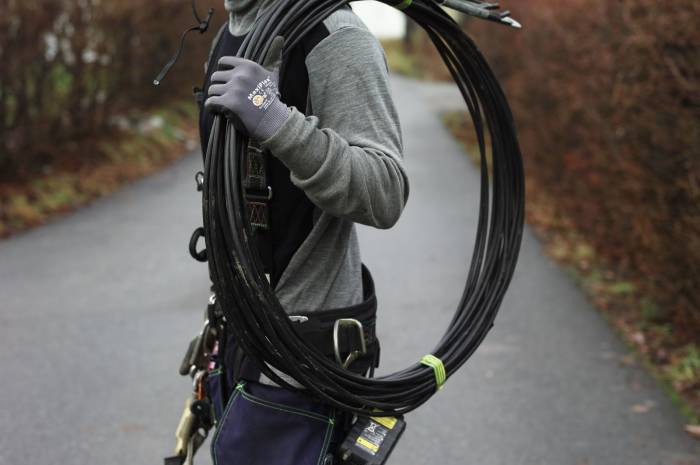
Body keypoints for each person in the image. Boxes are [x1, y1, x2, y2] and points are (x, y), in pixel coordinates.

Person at [197, 1, 408, 464]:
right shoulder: (232, 31)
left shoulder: (333, 34)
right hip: (240, 340)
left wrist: (274, 118)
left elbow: (385, 190)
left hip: (300, 362)